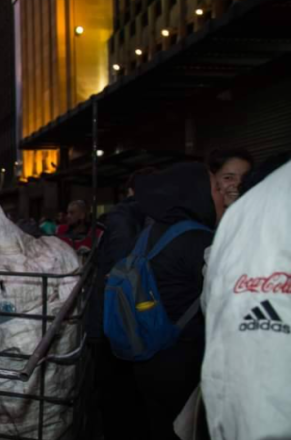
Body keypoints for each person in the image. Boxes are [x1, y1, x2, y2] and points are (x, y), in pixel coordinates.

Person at [129, 162, 225, 440]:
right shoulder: (199, 240)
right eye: (216, 187)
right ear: (195, 193)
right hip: (184, 364)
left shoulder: (150, 231)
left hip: (146, 355)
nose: (223, 194)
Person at [201, 157, 291, 440]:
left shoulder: (247, 217)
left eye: (241, 177)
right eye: (226, 178)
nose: (234, 184)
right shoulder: (250, 219)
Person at [86, 167, 154, 440]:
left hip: (113, 318)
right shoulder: (139, 219)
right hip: (129, 317)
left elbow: (115, 271)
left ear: (129, 191)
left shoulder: (122, 219)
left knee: (113, 391)